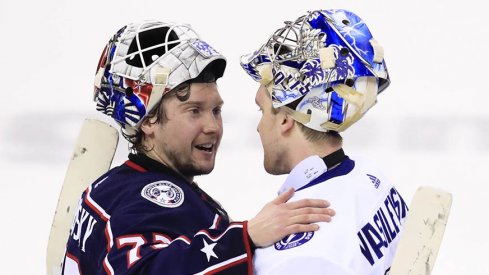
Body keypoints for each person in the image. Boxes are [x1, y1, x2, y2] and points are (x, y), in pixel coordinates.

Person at [62, 21, 335, 274]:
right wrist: (245, 237)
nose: (213, 126)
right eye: (194, 111)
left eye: (215, 110)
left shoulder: (107, 188)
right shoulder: (152, 200)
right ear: (147, 121)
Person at [240, 9, 409, 274]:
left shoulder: (293, 257)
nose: (259, 127)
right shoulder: (372, 179)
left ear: (285, 119)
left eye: (262, 111)